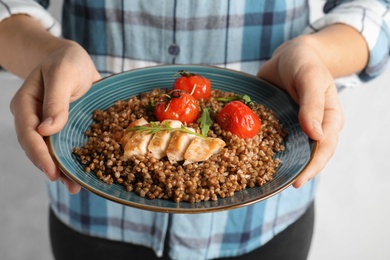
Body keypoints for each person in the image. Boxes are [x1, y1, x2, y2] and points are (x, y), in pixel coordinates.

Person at [0, 0, 388, 259]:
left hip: (265, 221)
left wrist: (316, 54)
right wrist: (48, 55)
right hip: (94, 212)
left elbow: (374, 9)